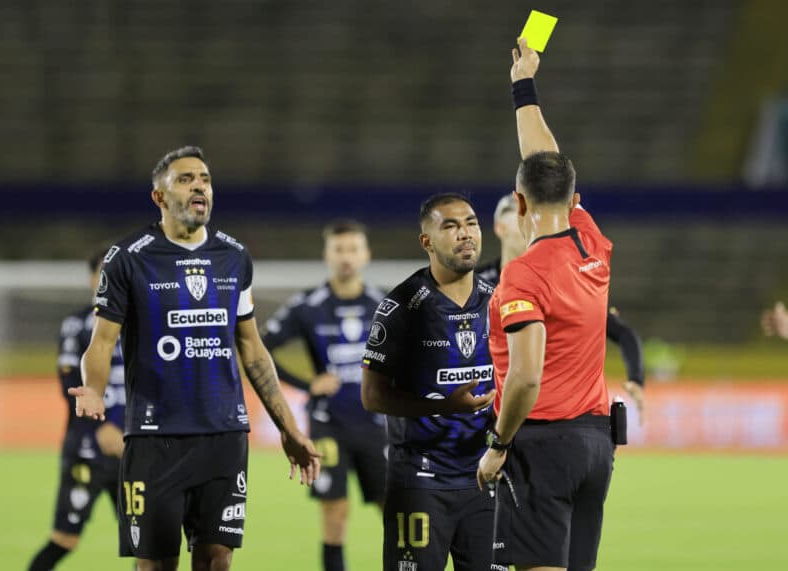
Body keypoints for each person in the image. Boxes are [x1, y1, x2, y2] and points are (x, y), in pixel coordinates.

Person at [68, 146, 320, 571]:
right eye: (185, 180)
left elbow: (251, 347)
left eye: (204, 179)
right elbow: (103, 340)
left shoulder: (234, 256)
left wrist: (289, 428)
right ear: (159, 197)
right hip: (155, 439)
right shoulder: (128, 257)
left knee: (217, 560)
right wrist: (93, 388)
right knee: (156, 565)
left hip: (224, 435)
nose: (199, 186)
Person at [477, 40, 615, 571]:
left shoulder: (524, 274)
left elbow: (526, 377)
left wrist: (498, 444)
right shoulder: (590, 242)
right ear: (573, 200)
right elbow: (545, 160)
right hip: (595, 445)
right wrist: (524, 86)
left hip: (543, 445)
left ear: (518, 203)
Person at [361, 192, 497, 571]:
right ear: (427, 242)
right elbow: (372, 396)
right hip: (420, 481)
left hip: (485, 477)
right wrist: (443, 405)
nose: (465, 234)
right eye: (450, 226)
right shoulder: (402, 307)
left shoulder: (498, 301)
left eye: (471, 223)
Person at [262, 219, 387, 571]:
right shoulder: (308, 305)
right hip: (328, 424)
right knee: (335, 513)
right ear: (327, 255)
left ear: (366, 255)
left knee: (394, 510)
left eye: (353, 249)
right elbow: (261, 348)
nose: (346, 257)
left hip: (377, 424)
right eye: (339, 249)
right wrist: (307, 383)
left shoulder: (383, 304)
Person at [477, 193, 646, 422]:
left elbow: (623, 333)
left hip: (545, 411)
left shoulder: (562, 280)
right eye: (518, 215)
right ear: (500, 228)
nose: (526, 221)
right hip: (487, 406)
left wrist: (636, 378)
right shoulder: (477, 284)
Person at [28, 248, 126, 571]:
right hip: (87, 449)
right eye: (103, 273)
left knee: (148, 545)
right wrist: (101, 427)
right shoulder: (77, 324)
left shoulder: (144, 324)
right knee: (64, 539)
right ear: (92, 279)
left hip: (133, 451)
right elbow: (69, 382)